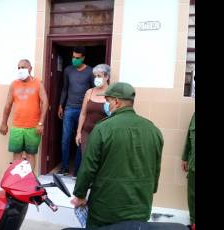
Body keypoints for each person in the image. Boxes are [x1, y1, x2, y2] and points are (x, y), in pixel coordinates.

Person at [71, 82, 164, 228]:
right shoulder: (153, 130)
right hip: (140, 206)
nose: (106, 105)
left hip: (106, 209)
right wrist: (149, 191)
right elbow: (156, 169)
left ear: (116, 101)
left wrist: (80, 195)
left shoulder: (103, 128)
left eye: (107, 101)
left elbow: (88, 167)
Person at [0, 59, 48, 171]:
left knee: (31, 154)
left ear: (30, 68)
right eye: (19, 68)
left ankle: (29, 181)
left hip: (33, 127)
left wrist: (41, 123)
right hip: (17, 127)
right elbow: (7, 105)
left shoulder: (37, 83)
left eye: (23, 67)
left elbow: (45, 102)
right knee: (17, 154)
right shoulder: (14, 84)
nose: (21, 70)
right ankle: (17, 181)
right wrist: (3, 123)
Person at [58, 46, 94, 176]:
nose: (74, 60)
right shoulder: (68, 70)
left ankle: (77, 170)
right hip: (69, 108)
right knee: (65, 139)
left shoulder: (90, 71)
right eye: (73, 57)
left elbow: (93, 90)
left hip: (83, 110)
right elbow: (65, 89)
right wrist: (61, 105)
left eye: (77, 58)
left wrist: (90, 108)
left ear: (83, 57)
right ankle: (65, 167)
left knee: (80, 139)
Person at [74, 64, 110, 177]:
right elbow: (83, 113)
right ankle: (87, 183)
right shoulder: (89, 92)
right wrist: (79, 132)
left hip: (103, 134)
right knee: (86, 159)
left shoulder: (112, 93)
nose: (97, 79)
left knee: (101, 160)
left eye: (99, 76)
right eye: (95, 76)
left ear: (106, 77)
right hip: (87, 132)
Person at [182, 112, 195, 229]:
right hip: (193, 165)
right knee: (192, 196)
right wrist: (185, 158)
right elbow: (189, 138)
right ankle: (193, 224)